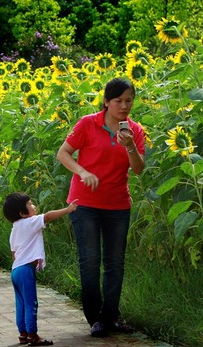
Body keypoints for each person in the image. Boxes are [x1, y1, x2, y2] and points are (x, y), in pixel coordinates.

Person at [56, 78, 145, 338]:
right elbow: (63, 153)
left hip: (118, 204)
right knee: (90, 261)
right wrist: (82, 172)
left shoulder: (135, 130)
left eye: (129, 100)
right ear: (106, 102)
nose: (124, 106)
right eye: (118, 101)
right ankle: (95, 319)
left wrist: (129, 146)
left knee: (115, 263)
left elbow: (138, 169)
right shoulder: (88, 123)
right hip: (85, 204)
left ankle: (111, 317)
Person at [4, 192, 78, 346]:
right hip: (25, 271)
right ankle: (33, 335)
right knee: (31, 303)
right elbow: (49, 216)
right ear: (22, 212)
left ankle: (23, 334)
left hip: (16, 270)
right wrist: (68, 209)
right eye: (30, 204)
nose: (34, 206)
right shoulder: (30, 222)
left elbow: (14, 254)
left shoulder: (14, 230)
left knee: (21, 303)